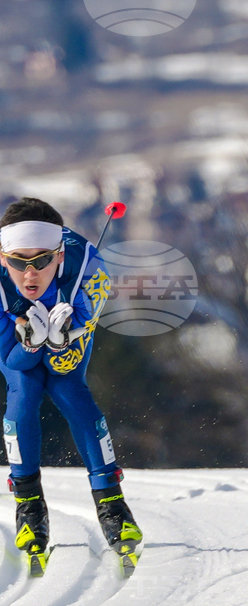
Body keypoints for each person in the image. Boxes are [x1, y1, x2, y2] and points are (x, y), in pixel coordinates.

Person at [0, 197, 142, 576]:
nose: (30, 274)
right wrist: (32, 341)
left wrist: (61, 340)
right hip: (18, 347)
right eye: (17, 262)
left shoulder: (90, 272)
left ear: (61, 255)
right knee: (24, 394)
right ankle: (29, 506)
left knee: (69, 391)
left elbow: (65, 364)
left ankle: (113, 506)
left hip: (67, 337)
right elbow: (10, 361)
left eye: (42, 260)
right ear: (2, 258)